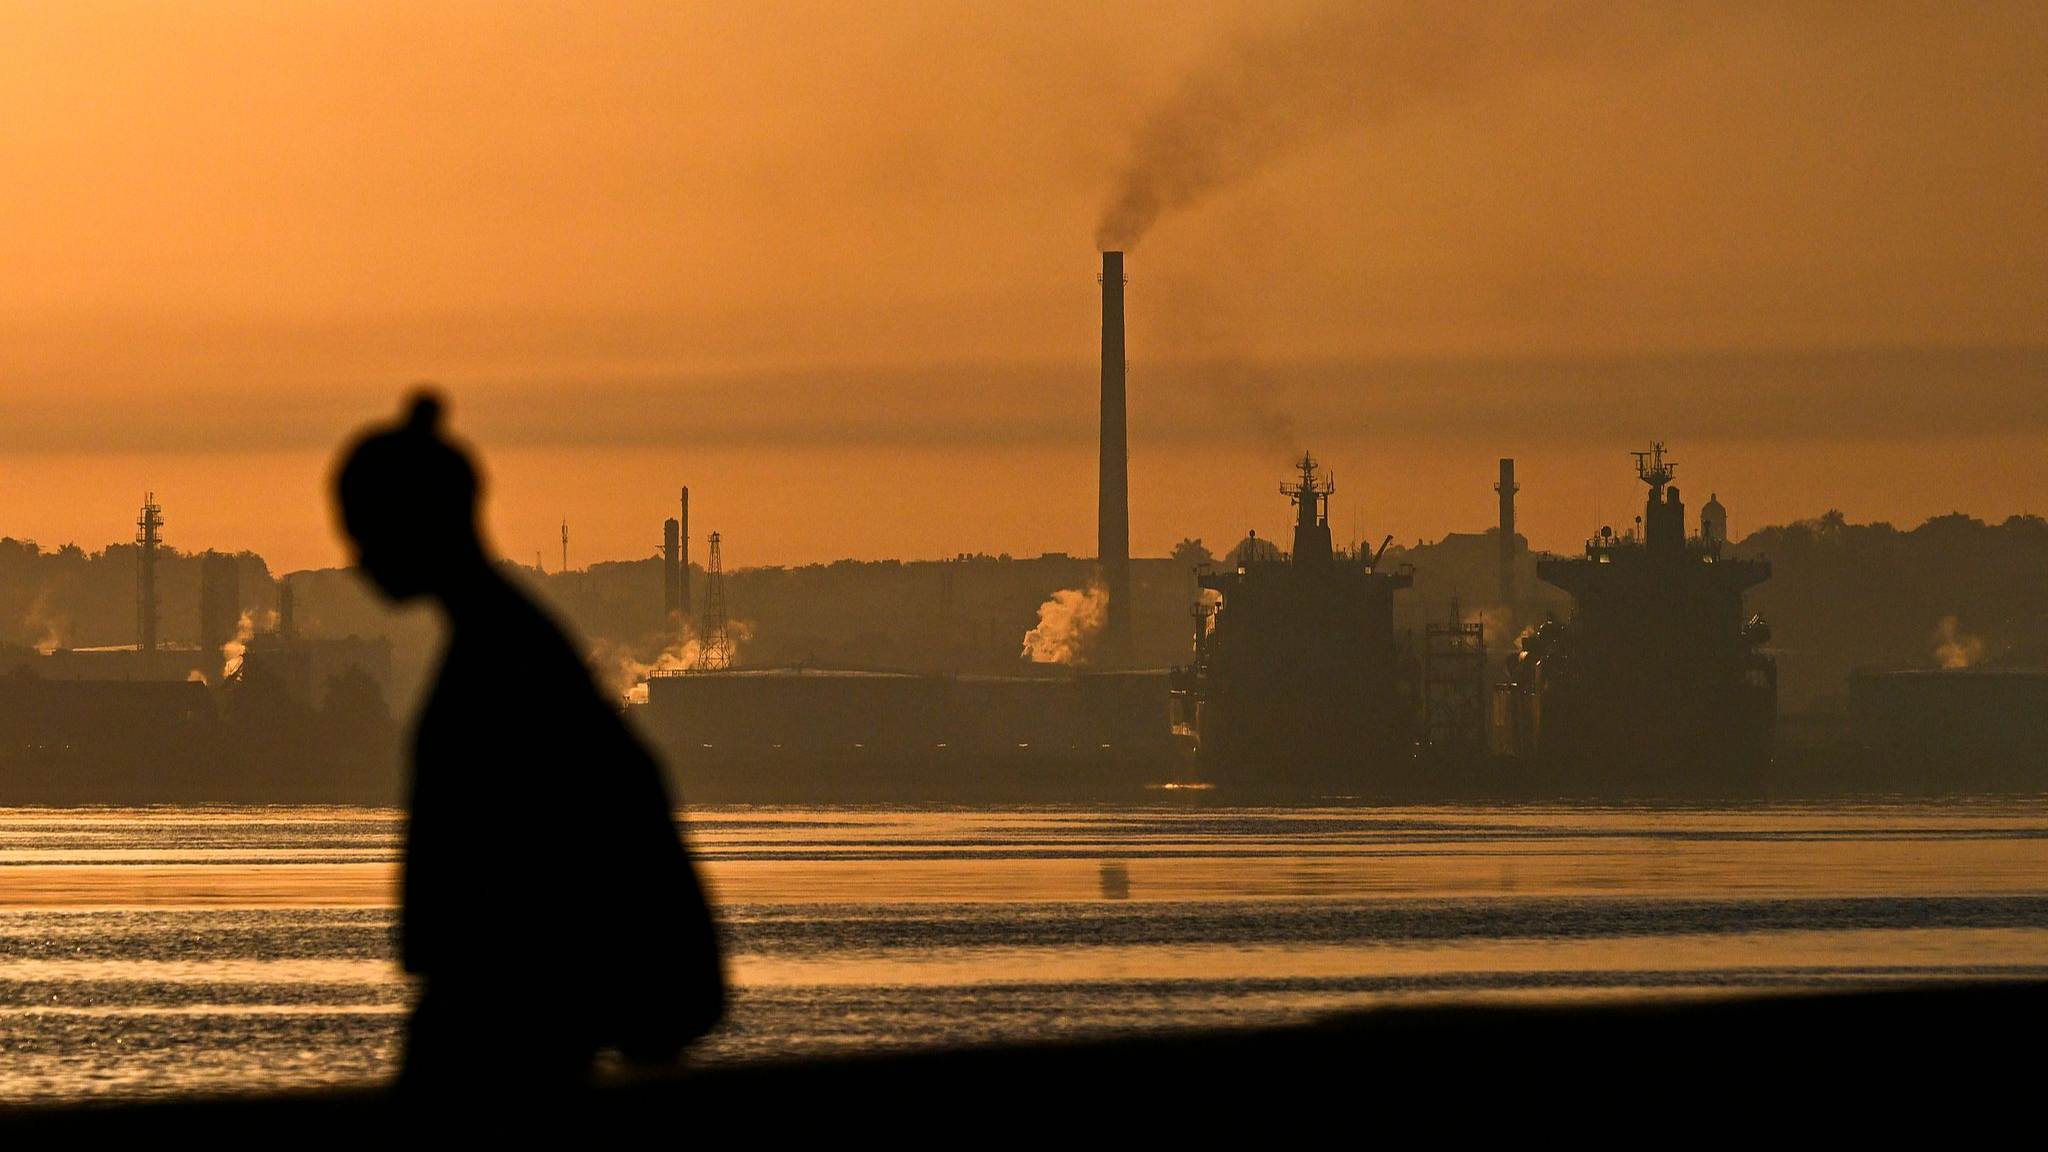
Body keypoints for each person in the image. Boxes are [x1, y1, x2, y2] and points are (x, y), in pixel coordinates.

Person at [333, 391, 724, 1095]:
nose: (356, 559)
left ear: (415, 521)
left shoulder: (499, 662)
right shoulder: (516, 642)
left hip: (506, 1030)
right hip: (510, 1017)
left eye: (364, 532)